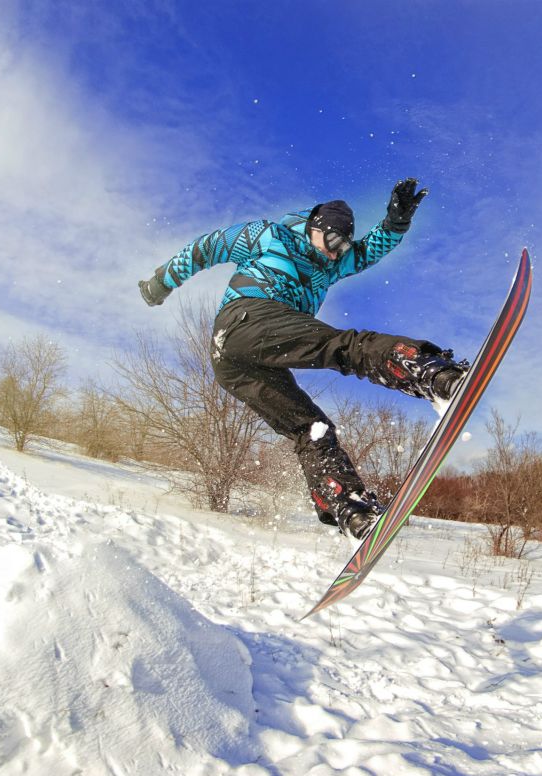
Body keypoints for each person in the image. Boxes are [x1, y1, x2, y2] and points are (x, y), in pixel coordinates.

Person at [138, 178, 467, 540]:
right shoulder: (268, 235)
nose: (335, 254)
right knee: (345, 346)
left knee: (311, 428)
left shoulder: (332, 264)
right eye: (333, 242)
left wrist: (396, 221)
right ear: (316, 227)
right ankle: (431, 374)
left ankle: (350, 509)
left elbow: (369, 250)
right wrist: (160, 283)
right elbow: (206, 248)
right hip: (246, 320)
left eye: (343, 248)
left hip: (236, 366)